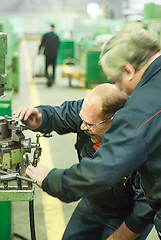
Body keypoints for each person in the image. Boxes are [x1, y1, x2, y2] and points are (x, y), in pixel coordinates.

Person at [13, 84, 155, 240]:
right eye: (83, 120)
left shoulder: (143, 145)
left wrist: (116, 238)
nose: (82, 126)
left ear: (114, 120)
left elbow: (144, 211)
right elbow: (62, 114)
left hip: (128, 215)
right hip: (94, 202)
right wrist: (41, 116)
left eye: (89, 125)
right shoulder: (89, 113)